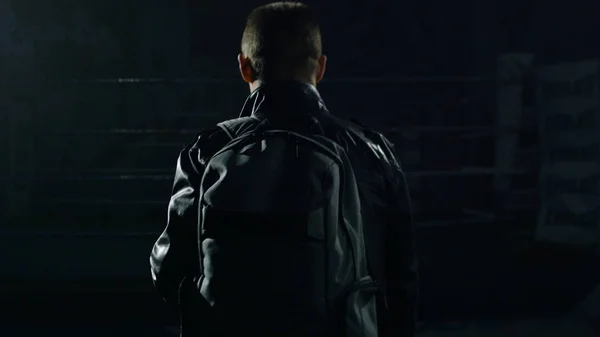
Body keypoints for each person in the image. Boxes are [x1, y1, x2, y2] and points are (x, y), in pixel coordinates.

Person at [150, 2, 419, 337]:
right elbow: (401, 284)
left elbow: (168, 270)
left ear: (244, 68)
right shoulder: (370, 151)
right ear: (320, 68)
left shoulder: (207, 151)